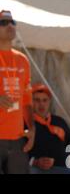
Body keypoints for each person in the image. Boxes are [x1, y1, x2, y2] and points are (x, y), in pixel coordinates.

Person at [0, 10, 35, 174]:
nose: (10, 26)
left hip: (17, 138)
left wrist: (32, 128)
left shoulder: (23, 60)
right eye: (3, 23)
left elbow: (27, 99)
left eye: (12, 22)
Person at [28, 83, 70, 174]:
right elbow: (17, 152)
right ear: (30, 102)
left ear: (49, 102)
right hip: (36, 168)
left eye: (45, 100)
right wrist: (35, 161)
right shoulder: (25, 122)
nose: (41, 104)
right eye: (37, 100)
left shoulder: (59, 121)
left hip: (62, 167)